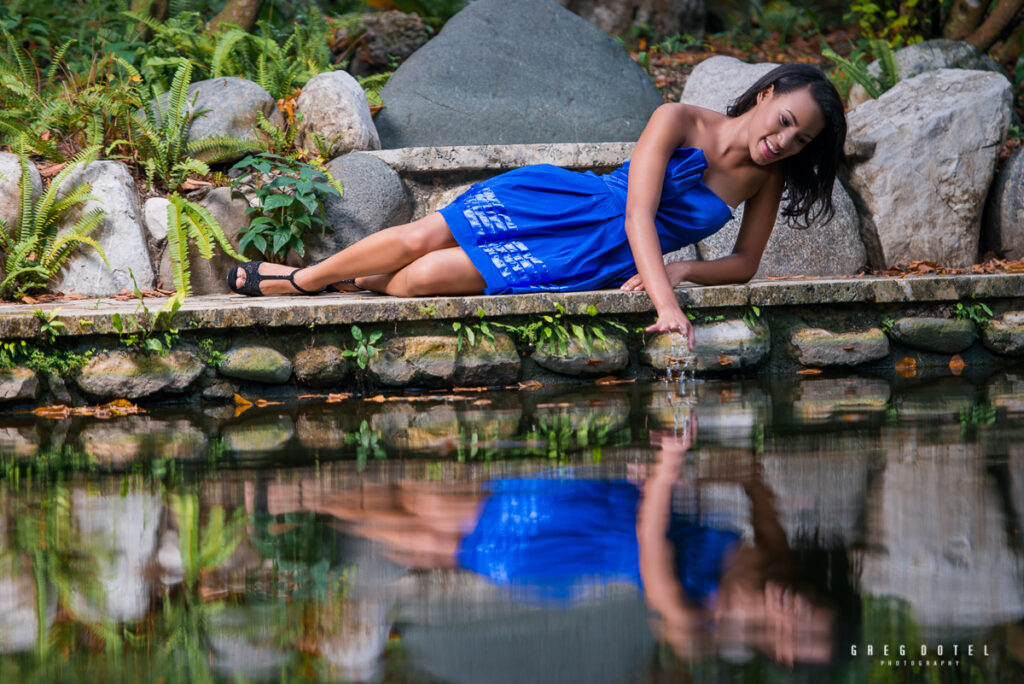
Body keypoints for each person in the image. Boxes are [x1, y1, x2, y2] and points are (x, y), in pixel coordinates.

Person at [228, 63, 846, 348]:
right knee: (422, 240)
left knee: (419, 279)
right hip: (568, 203)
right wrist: (666, 305)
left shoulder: (767, 181)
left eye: (803, 139)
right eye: (786, 120)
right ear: (766, 93)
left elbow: (743, 265)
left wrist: (684, 271)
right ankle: (305, 281)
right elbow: (638, 214)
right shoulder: (680, 120)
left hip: (596, 255)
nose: (785, 141)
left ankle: (354, 279)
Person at [265, 415, 848, 667]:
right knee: (429, 516)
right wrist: (696, 473)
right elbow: (750, 473)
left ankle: (308, 498)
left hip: (569, 543)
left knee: (428, 529)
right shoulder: (776, 559)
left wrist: (669, 474)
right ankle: (313, 496)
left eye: (800, 625)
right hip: (601, 507)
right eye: (810, 604)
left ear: (787, 651)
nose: (794, 605)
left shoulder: (704, 628)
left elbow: (651, 554)